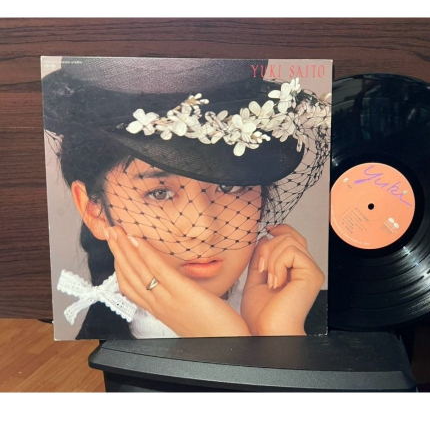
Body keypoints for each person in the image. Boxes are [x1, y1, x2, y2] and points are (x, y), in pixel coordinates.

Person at [42, 57, 331, 339]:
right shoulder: (79, 361)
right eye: (160, 193)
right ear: (94, 210)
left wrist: (278, 337)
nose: (203, 230)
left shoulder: (295, 316)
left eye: (230, 187)